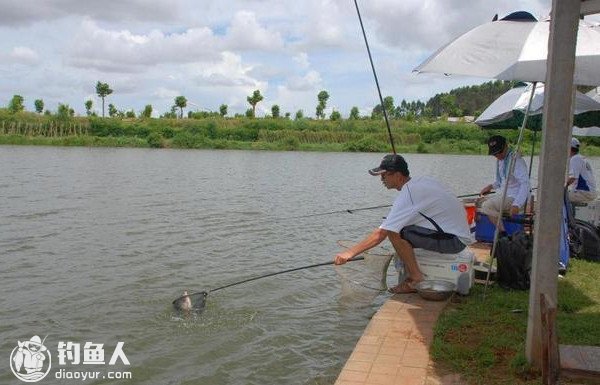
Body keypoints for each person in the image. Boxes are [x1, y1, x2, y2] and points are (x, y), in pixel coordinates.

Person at [333, 154, 473, 294]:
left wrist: (350, 253)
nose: (382, 180)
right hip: (457, 234)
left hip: (454, 241)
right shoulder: (422, 181)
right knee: (399, 228)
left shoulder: (409, 194)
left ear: (398, 175)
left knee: (396, 233)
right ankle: (412, 271)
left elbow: (382, 233)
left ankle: (416, 278)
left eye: (384, 175)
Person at [479, 135, 530, 236]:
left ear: (506, 146)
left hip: (514, 197)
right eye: (495, 153)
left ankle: (502, 232)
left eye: (499, 152)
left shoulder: (515, 160)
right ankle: (490, 229)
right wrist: (490, 187)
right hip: (503, 195)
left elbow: (525, 184)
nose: (497, 155)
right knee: (479, 202)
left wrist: (517, 204)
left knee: (487, 206)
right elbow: (501, 181)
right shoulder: (500, 161)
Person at [567, 137, 597, 204]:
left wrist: (563, 186)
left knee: (557, 196)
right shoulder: (581, 158)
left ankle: (565, 214)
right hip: (590, 192)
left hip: (585, 193)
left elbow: (572, 178)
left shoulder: (575, 159)